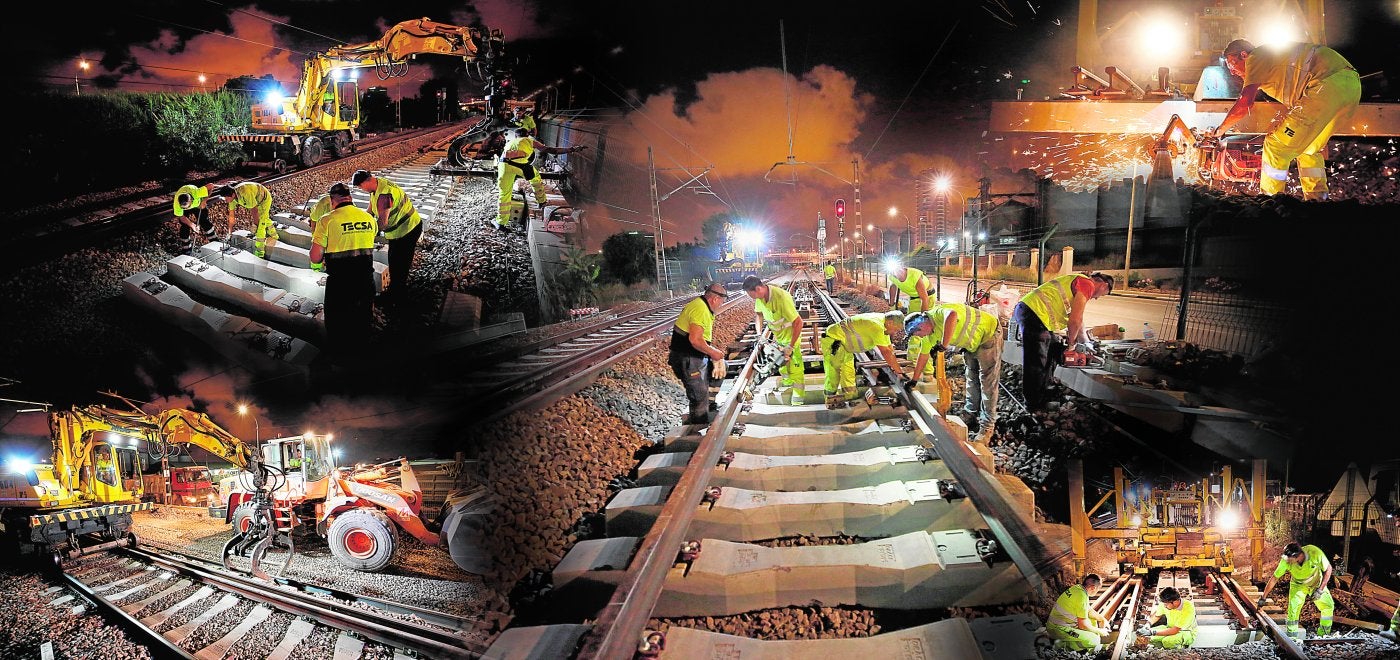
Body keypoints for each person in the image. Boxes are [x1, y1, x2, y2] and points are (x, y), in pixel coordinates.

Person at [1210, 39, 1361, 201]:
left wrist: (1219, 131)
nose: (1232, 71)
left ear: (1244, 55)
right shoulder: (1272, 60)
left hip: (1326, 85)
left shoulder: (1255, 57)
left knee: (1276, 146)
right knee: (1308, 149)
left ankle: (1270, 200)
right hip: (1351, 86)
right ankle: (1317, 200)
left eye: (1232, 63)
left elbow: (1245, 102)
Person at [1012, 272, 1114, 412]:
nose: (1097, 298)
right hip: (1034, 314)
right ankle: (1033, 404)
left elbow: (1079, 320)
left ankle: (1043, 393)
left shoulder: (1079, 282)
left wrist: (1085, 342)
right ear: (1104, 284)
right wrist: (1071, 345)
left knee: (1053, 353)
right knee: (1037, 362)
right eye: (1103, 294)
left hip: (1035, 315)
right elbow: (1075, 321)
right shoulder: (1087, 284)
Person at [902, 303, 1004, 441]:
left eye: (917, 334)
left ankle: (987, 426)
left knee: (987, 382)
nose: (919, 337)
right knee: (972, 377)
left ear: (921, 326)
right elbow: (923, 355)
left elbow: (952, 315)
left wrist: (943, 345)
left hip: (989, 335)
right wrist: (914, 380)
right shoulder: (929, 335)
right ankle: (970, 413)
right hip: (971, 343)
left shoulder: (937, 313)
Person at [309, 182, 378, 358]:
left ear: (333, 201)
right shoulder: (369, 219)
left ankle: (340, 360)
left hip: (340, 284)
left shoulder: (327, 220)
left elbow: (315, 257)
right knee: (363, 320)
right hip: (365, 280)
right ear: (350, 198)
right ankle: (363, 357)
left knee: (338, 324)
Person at [495, 128, 587, 230]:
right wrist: (571, 149)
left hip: (503, 165)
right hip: (520, 165)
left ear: (516, 136)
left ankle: (501, 223)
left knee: (504, 193)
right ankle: (542, 202)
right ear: (527, 135)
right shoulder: (530, 140)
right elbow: (551, 150)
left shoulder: (510, 142)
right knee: (535, 180)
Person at [352, 169, 420, 303]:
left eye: (360, 186)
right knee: (394, 260)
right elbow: (370, 211)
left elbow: (382, 223)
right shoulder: (377, 187)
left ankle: (398, 296)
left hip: (407, 230)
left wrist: (367, 237)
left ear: (367, 181)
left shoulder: (384, 195)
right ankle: (396, 291)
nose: (360, 189)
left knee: (399, 263)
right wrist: (360, 224)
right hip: (400, 230)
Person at [817, 310, 908, 408]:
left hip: (843, 345)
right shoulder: (876, 325)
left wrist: (895, 365)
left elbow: (889, 348)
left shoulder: (883, 323)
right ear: (890, 323)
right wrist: (899, 372)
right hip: (834, 341)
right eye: (896, 329)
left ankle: (848, 398)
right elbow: (885, 352)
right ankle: (830, 398)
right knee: (834, 372)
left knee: (848, 373)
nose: (895, 332)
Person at [668, 283, 728, 425]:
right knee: (699, 394)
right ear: (715, 299)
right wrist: (713, 352)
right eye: (721, 302)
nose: (721, 305)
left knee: (721, 366)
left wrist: (714, 354)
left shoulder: (702, 307)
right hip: (686, 358)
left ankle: (710, 406)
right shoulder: (700, 309)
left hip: (694, 355)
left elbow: (699, 340)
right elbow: (695, 340)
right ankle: (698, 426)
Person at [743, 276, 805, 406]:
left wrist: (791, 346)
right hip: (778, 337)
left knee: (795, 368)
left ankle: (798, 400)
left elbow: (799, 322)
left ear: (758, 289)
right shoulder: (760, 298)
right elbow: (759, 315)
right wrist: (760, 334)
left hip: (791, 337)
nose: (751, 297)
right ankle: (787, 384)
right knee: (781, 365)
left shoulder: (781, 297)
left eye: (751, 294)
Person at [1256, 541, 1335, 639]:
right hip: (1298, 585)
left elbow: (1328, 569)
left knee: (1328, 606)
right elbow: (1274, 578)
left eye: (1289, 559)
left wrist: (1320, 590)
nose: (1287, 561)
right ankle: (1292, 638)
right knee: (1293, 610)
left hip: (1316, 583)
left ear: (1297, 556)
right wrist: (1264, 597)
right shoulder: (1286, 561)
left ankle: (1324, 635)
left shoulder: (1314, 552)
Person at [1045, 573, 1111, 652]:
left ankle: (1077, 642)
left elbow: (1088, 610)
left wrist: (1102, 619)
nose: (1097, 591)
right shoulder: (1081, 597)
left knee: (1092, 620)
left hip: (1060, 625)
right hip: (1059, 629)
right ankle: (1062, 645)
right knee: (1094, 640)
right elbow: (1082, 626)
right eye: (1098, 589)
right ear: (1093, 588)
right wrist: (1100, 631)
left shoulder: (1078, 588)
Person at [223, 181, 279, 258]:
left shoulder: (245, 192)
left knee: (260, 227)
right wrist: (229, 233)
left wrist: (256, 225)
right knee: (265, 219)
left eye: (226, 198)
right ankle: (275, 237)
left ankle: (259, 254)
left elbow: (254, 210)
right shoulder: (232, 199)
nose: (225, 200)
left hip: (264, 200)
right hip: (256, 200)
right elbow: (231, 217)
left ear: (232, 195)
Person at [172, 183, 221, 254]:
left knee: (203, 220)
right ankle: (186, 248)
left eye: (188, 207)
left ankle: (214, 240)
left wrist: (204, 201)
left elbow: (211, 185)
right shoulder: (177, 204)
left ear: (191, 200)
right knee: (185, 226)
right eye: (184, 208)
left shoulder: (197, 193)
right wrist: (192, 225)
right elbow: (182, 217)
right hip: (189, 202)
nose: (188, 209)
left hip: (198, 203)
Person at [305, 192, 335, 273]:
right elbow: (314, 222)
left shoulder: (347, 206)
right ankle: (316, 270)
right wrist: (314, 237)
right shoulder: (323, 204)